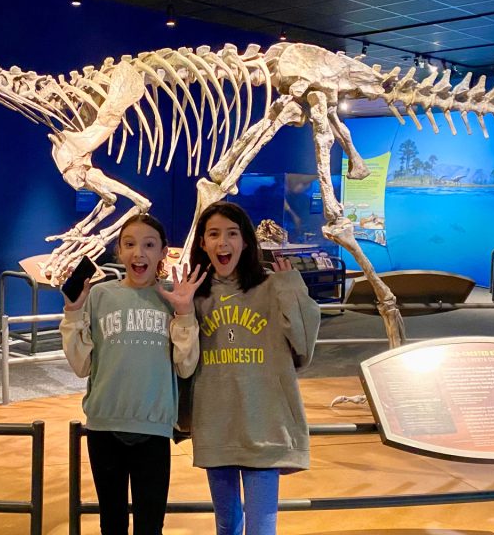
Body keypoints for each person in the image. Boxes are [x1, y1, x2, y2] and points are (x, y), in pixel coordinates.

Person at [60, 213, 206, 535]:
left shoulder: (173, 296)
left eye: (149, 245)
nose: (139, 253)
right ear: (120, 252)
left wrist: (183, 312)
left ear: (163, 252)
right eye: (130, 244)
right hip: (105, 426)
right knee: (111, 523)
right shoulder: (100, 295)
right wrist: (73, 313)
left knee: (150, 525)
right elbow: (81, 365)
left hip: (153, 430)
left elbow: (186, 364)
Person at [188, 201, 320, 535]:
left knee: (261, 527)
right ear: (201, 242)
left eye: (232, 234)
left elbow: (303, 348)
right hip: (216, 425)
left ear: (246, 241)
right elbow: (182, 360)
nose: (223, 242)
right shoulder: (194, 297)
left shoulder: (274, 287)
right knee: (226, 525)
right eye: (214, 234)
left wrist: (291, 283)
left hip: (264, 426)